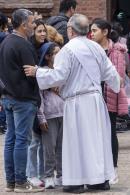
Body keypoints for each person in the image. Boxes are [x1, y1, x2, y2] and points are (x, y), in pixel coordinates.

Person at [24, 14, 121, 194]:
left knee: (76, 143)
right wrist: (117, 84)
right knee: (95, 141)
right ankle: (98, 180)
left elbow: (58, 76)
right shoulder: (97, 48)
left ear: (70, 30)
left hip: (77, 102)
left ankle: (75, 182)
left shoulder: (67, 50)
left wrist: (38, 72)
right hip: (95, 101)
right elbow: (111, 73)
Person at [0, 9, 44, 193]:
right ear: (24, 24)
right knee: (21, 140)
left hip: (8, 97)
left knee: (11, 139)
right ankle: (20, 181)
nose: (34, 25)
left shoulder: (5, 42)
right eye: (33, 22)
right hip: (23, 99)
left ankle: (11, 182)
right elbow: (31, 73)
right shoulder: (22, 45)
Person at [91, 18, 128, 184]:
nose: (91, 34)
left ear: (105, 32)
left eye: (94, 30)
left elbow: (118, 79)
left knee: (110, 133)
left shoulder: (117, 52)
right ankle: (98, 169)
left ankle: (112, 169)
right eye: (90, 31)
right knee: (94, 135)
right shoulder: (90, 49)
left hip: (109, 97)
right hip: (93, 96)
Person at [38, 42, 63, 189]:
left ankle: (61, 174)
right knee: (49, 148)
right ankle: (48, 176)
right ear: (48, 56)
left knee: (62, 147)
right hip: (50, 115)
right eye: (56, 53)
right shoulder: (42, 72)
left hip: (64, 113)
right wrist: (41, 117)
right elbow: (39, 97)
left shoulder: (62, 71)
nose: (59, 55)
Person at [26, 19, 47, 187]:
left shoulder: (47, 49)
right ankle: (31, 174)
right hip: (33, 98)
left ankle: (42, 173)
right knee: (33, 142)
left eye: (44, 31)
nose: (42, 34)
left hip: (45, 101)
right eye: (39, 31)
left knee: (41, 141)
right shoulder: (29, 49)